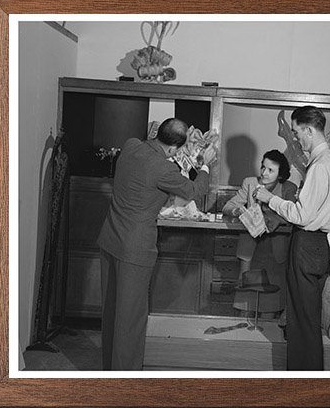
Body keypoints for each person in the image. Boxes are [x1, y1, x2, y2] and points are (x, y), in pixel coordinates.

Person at [97, 117, 217, 370]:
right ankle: (124, 383)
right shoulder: (164, 169)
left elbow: (151, 150)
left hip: (109, 239)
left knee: (112, 314)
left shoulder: (130, 146)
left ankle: (109, 371)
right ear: (174, 149)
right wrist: (205, 166)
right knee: (130, 320)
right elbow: (194, 190)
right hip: (135, 248)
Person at [255, 106, 330, 370]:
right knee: (309, 318)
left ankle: (300, 382)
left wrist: (271, 199)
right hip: (321, 246)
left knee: (299, 320)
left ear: (309, 130)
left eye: (296, 133)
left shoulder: (318, 166)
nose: (295, 139)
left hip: (305, 244)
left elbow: (302, 216)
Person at [222, 149, 298, 290]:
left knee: (273, 292)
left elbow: (293, 215)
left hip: (276, 249)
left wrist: (273, 219)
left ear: (280, 174)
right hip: (249, 248)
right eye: (263, 167)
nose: (264, 173)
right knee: (246, 289)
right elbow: (228, 206)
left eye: (270, 170)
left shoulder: (289, 188)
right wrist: (237, 210)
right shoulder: (250, 183)